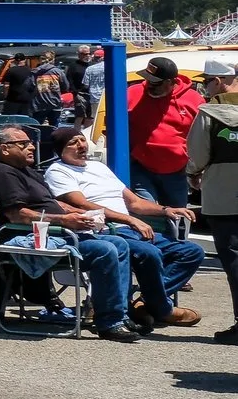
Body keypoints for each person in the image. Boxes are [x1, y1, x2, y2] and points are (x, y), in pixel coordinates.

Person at [0, 123, 140, 341]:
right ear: (4, 149)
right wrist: (65, 220)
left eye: (30, 143)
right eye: (23, 143)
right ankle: (109, 322)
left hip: (58, 232)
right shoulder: (3, 173)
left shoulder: (29, 172)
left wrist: (84, 214)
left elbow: (54, 203)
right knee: (104, 249)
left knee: (120, 244)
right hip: (33, 238)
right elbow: (18, 215)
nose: (31, 147)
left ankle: (118, 314)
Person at [42, 124, 202, 328]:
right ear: (61, 150)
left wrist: (166, 210)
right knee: (148, 253)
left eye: (82, 140)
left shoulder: (98, 167)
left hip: (129, 229)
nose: (81, 145)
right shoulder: (58, 171)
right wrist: (129, 219)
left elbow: (134, 202)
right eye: (73, 143)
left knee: (191, 252)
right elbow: (81, 204)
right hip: (105, 231)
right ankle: (163, 309)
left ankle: (148, 303)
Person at [184, 102, 238, 344]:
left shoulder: (209, 113)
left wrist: (193, 172)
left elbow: (198, 153)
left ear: (216, 81)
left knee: (235, 259)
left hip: (224, 193)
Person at [123, 57, 204, 208]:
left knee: (177, 215)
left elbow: (203, 136)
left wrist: (197, 169)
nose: (149, 86)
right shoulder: (132, 93)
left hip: (177, 171)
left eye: (156, 83)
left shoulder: (193, 100)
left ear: (170, 82)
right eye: (148, 81)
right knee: (147, 214)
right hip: (140, 168)